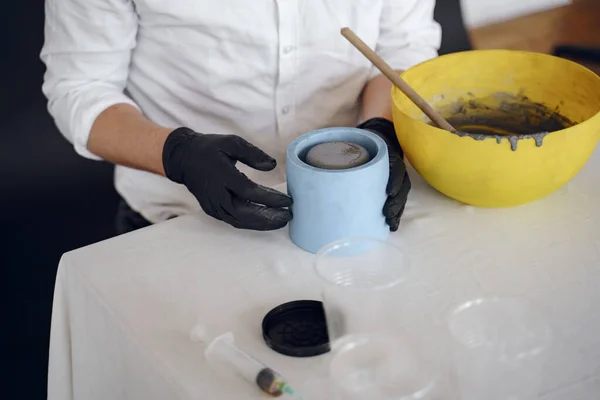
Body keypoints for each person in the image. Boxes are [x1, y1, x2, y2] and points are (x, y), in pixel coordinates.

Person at [41, 0, 441, 234]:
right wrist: (176, 154)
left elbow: (403, 48)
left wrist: (380, 130)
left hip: (354, 200)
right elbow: (80, 88)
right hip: (182, 214)